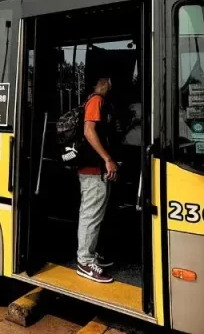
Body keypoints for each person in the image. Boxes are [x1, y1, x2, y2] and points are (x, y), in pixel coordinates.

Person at [76, 77, 117, 283]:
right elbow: (89, 131)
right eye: (110, 82)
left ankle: (90, 254)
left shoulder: (95, 101)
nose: (111, 86)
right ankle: (85, 261)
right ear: (104, 84)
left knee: (95, 214)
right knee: (90, 215)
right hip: (93, 170)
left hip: (96, 169)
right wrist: (107, 158)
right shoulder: (96, 101)